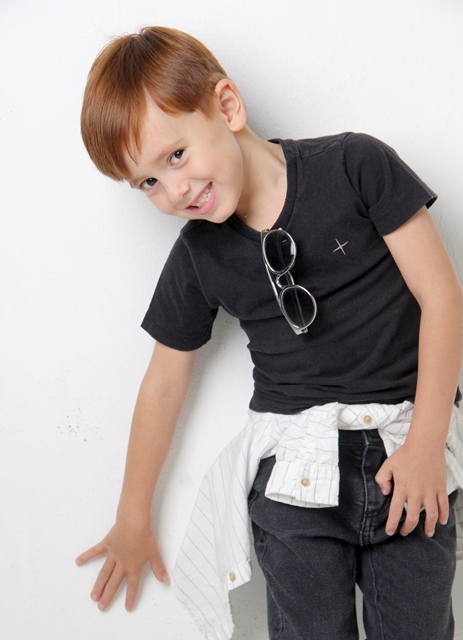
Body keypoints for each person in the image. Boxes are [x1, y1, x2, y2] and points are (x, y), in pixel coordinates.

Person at [76, 26, 463, 640]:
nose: (175, 191)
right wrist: (131, 517)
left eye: (175, 156)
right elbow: (163, 383)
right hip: (294, 476)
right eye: (147, 182)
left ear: (227, 106)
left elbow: (440, 298)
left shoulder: (355, 165)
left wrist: (425, 443)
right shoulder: (199, 255)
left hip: (405, 450)